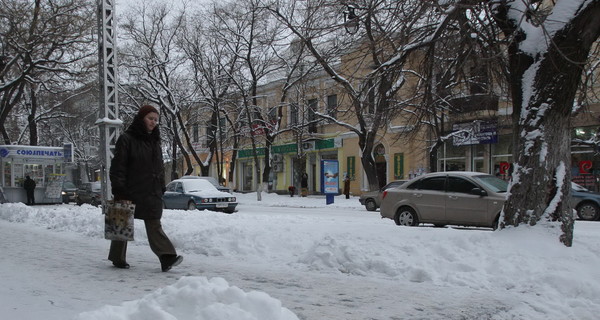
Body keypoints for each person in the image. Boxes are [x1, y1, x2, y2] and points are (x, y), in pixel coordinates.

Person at [108, 105, 183, 272]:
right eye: (150, 118)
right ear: (141, 118)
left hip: (151, 191)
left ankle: (167, 257)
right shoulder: (126, 139)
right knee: (122, 222)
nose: (153, 122)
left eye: (156, 120)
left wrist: (161, 186)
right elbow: (118, 168)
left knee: (154, 223)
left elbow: (158, 167)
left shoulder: (155, 141)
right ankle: (117, 257)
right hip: (130, 190)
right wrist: (120, 191)